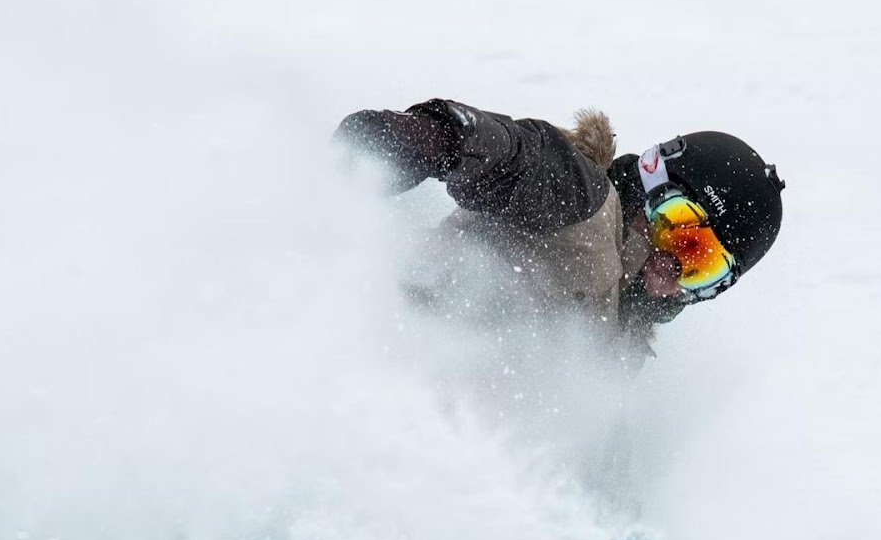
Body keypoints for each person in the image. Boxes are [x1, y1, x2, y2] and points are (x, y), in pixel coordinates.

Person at [335, 99, 784, 363]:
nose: (672, 273)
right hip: (388, 350)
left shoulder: (622, 339)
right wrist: (429, 139)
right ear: (653, 181)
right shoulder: (582, 202)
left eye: (702, 268)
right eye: (683, 234)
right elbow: (519, 156)